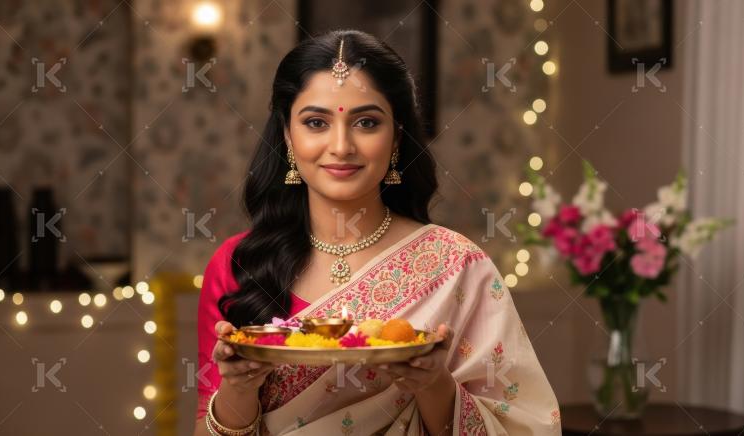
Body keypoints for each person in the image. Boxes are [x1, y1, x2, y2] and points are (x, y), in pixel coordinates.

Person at [194, 29, 560, 436]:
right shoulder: (239, 265)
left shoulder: (455, 266)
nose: (341, 145)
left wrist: (433, 384)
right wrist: (239, 388)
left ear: (397, 136)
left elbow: (521, 426)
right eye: (316, 122)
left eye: (366, 122)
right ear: (287, 135)